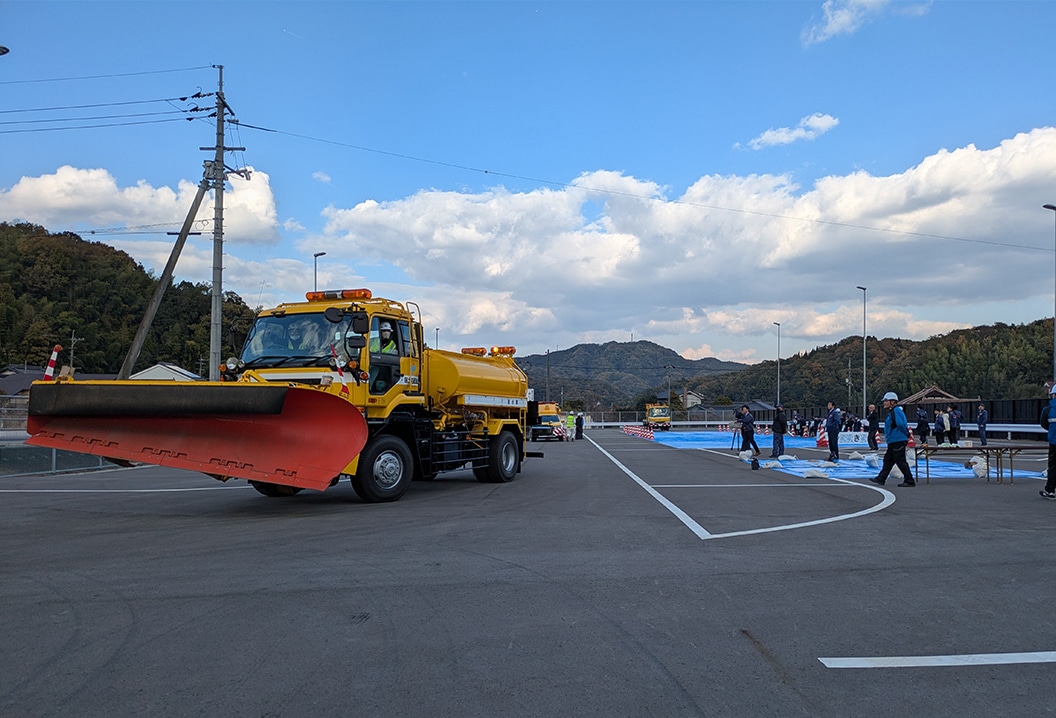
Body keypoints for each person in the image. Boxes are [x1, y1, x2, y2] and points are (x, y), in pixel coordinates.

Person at [869, 391, 915, 487]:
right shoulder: (893, 411)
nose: (884, 403)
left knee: (900, 461)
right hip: (894, 440)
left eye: (886, 401)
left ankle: (909, 480)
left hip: (897, 440)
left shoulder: (896, 411)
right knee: (888, 460)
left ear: (893, 402)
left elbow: (900, 424)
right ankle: (881, 478)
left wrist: (906, 434)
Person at [1040, 385, 1056, 500]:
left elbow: (1043, 423)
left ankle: (1050, 490)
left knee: (1053, 467)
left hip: (1054, 441)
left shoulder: (1048, 409)